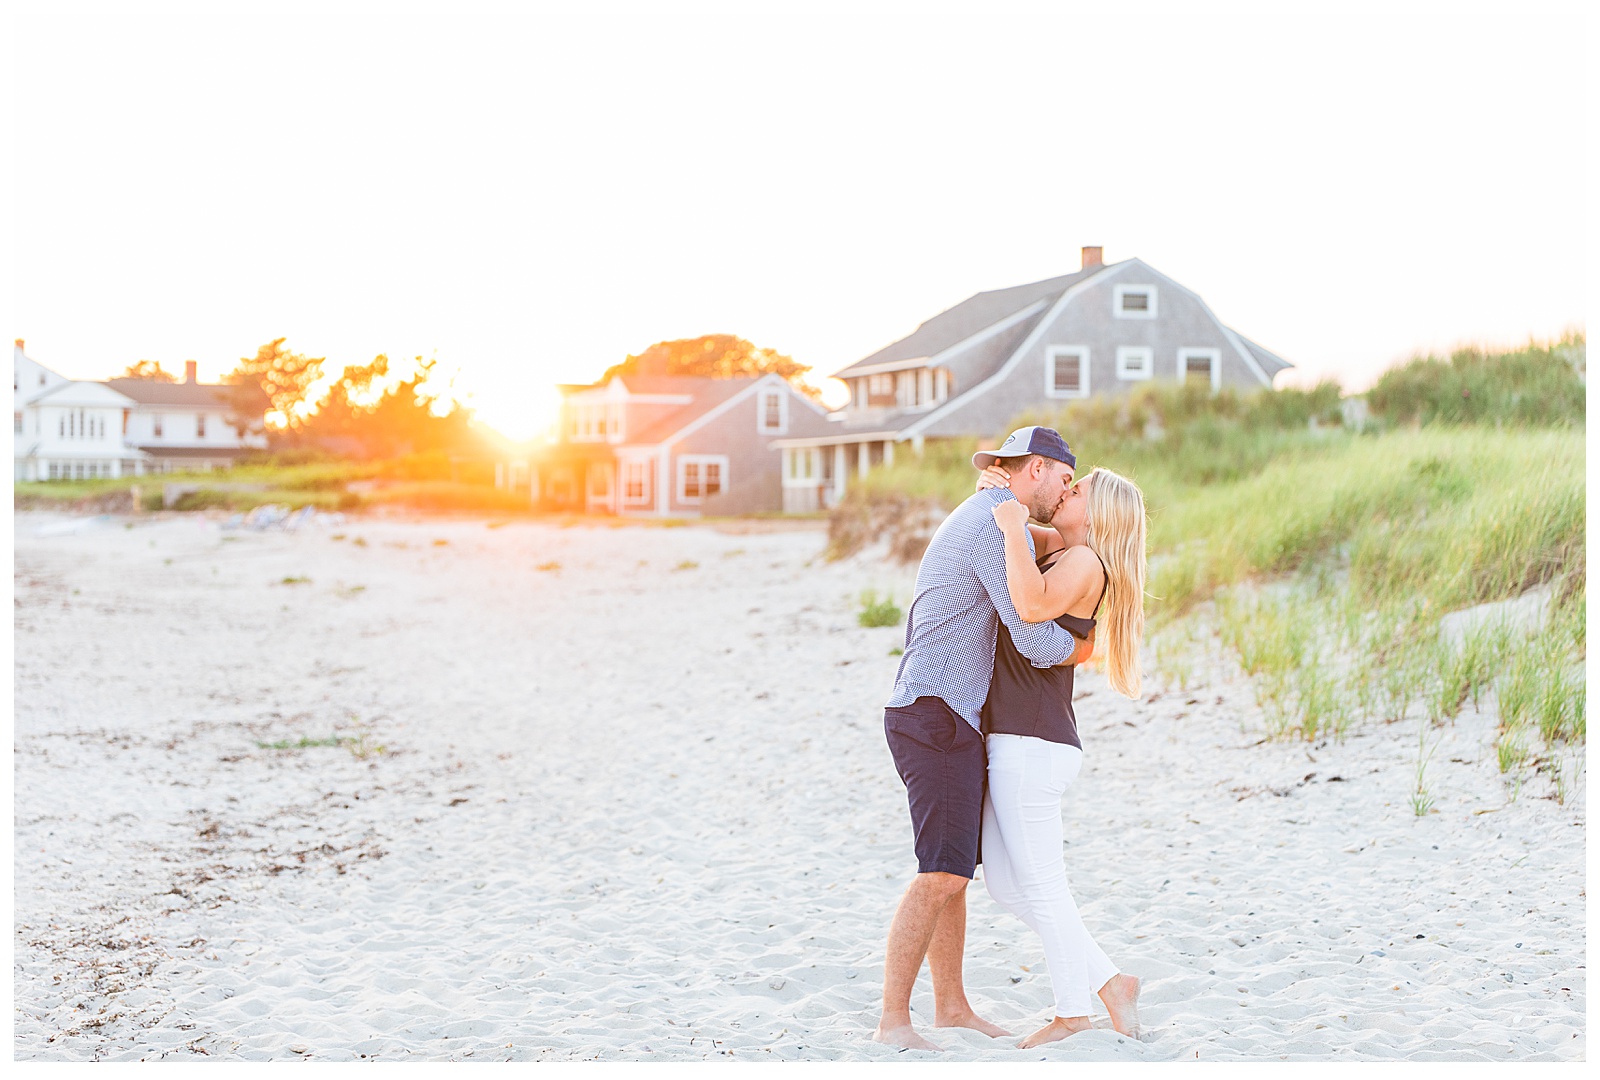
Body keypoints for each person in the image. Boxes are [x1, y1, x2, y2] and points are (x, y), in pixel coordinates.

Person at [874, 426, 1083, 1052]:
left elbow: (1045, 537)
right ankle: (892, 1022)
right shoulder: (997, 521)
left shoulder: (992, 510)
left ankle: (952, 1007)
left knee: (954, 872)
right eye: (1067, 479)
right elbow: (1033, 635)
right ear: (1038, 469)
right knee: (938, 872)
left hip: (944, 712)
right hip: (935, 712)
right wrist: (1094, 646)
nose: (1069, 489)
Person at [974, 459, 1149, 1048]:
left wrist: (1007, 529)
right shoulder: (1058, 547)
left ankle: (1075, 1012)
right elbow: (1021, 518)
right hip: (1021, 740)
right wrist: (997, 496)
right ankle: (1111, 980)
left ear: (1099, 514)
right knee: (1004, 883)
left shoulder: (1083, 562)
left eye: (1080, 489)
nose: (1067, 489)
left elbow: (1027, 603)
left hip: (1033, 742)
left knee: (1045, 888)